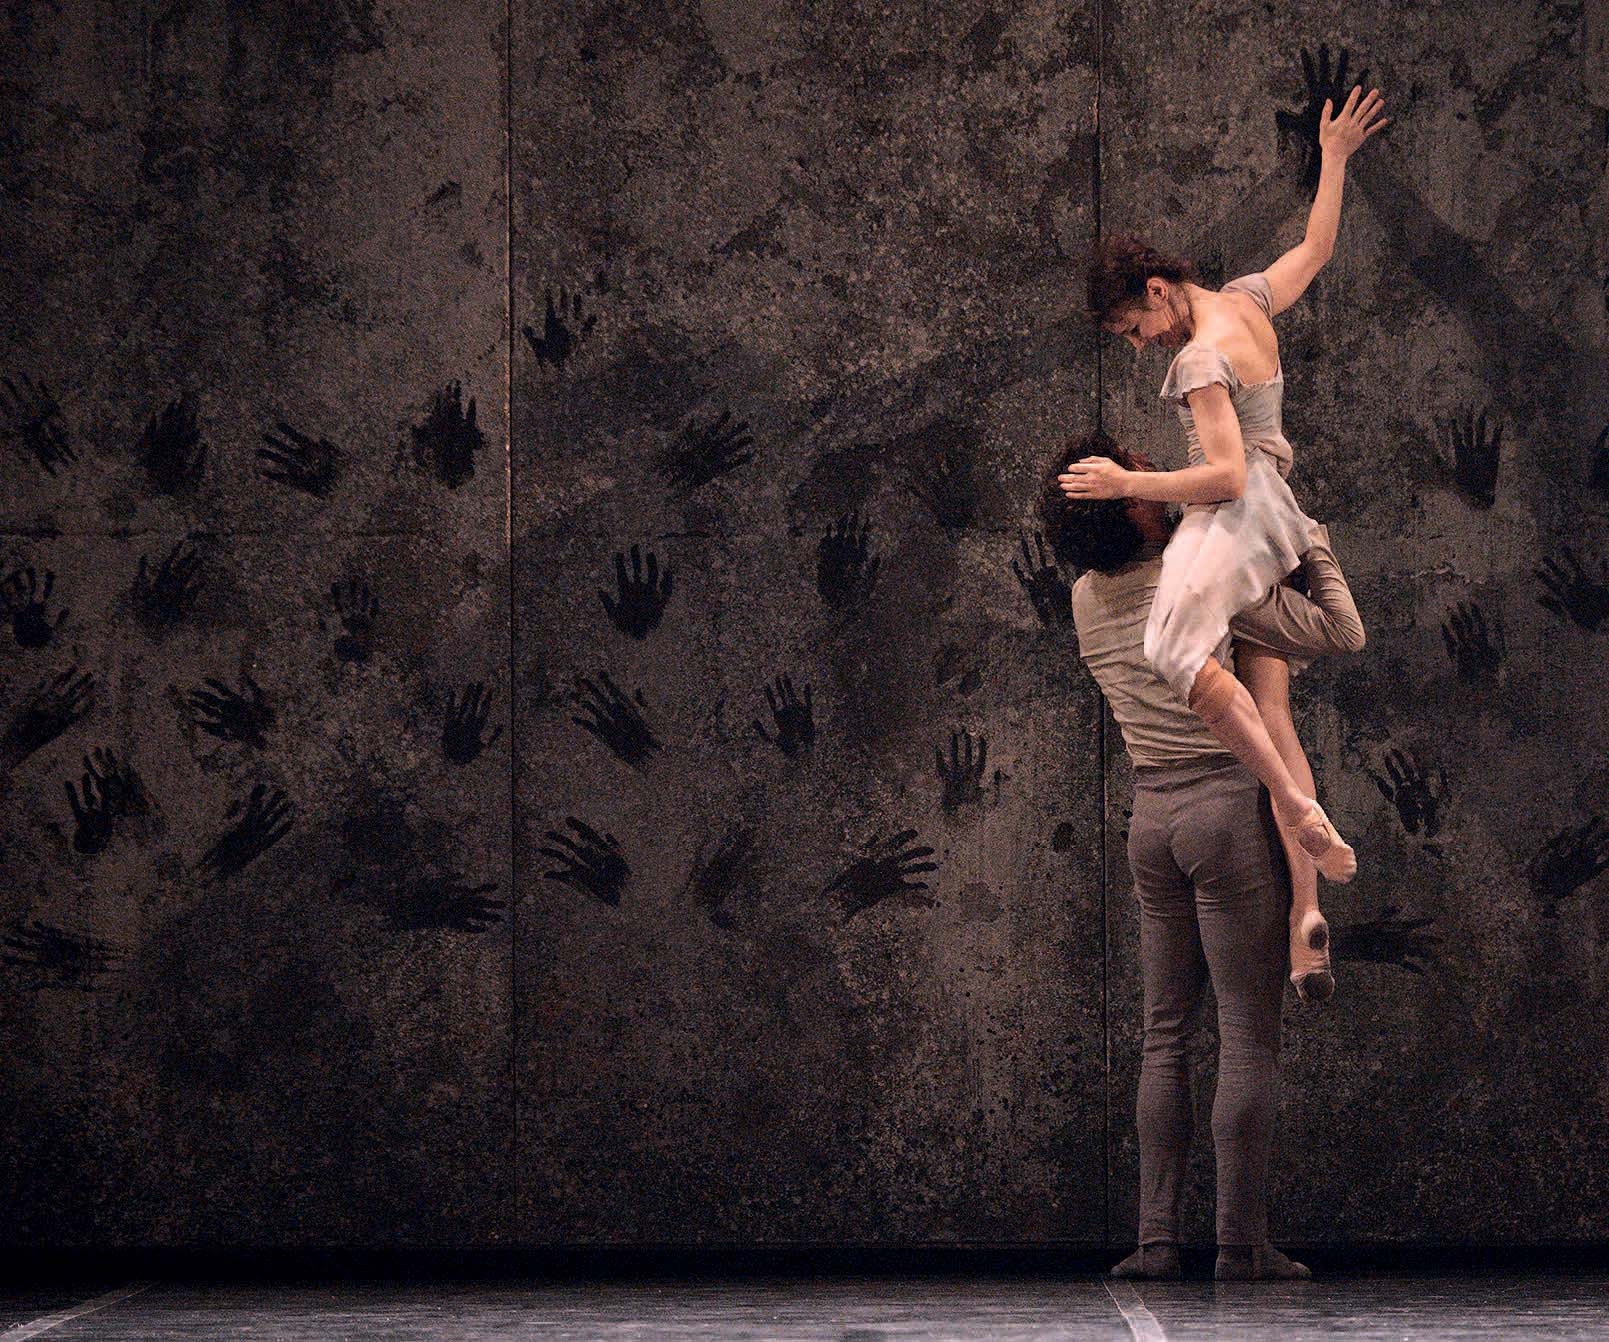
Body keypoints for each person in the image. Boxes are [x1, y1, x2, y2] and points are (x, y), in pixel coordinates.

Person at [1063, 85, 1390, 964]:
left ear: (1157, 290)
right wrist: (1333, 157)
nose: (1139, 344)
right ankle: (1305, 914)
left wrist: (1126, 481)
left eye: (1134, 327)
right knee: (1268, 708)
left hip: (1242, 519)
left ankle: (1292, 803)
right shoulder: (1242, 300)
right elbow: (1315, 249)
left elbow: (1224, 474)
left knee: (1170, 652)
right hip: (1272, 513)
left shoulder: (1199, 359)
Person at [1039, 432, 1365, 1280]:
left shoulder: (1083, 597)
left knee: (1164, 1038)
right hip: (1225, 811)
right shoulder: (1196, 583)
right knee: (1247, 1036)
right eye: (1140, 478)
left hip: (1150, 819)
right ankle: (1239, 1245)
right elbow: (1334, 629)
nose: (1156, 476)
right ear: (1134, 512)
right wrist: (1308, 537)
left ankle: (1155, 1243)